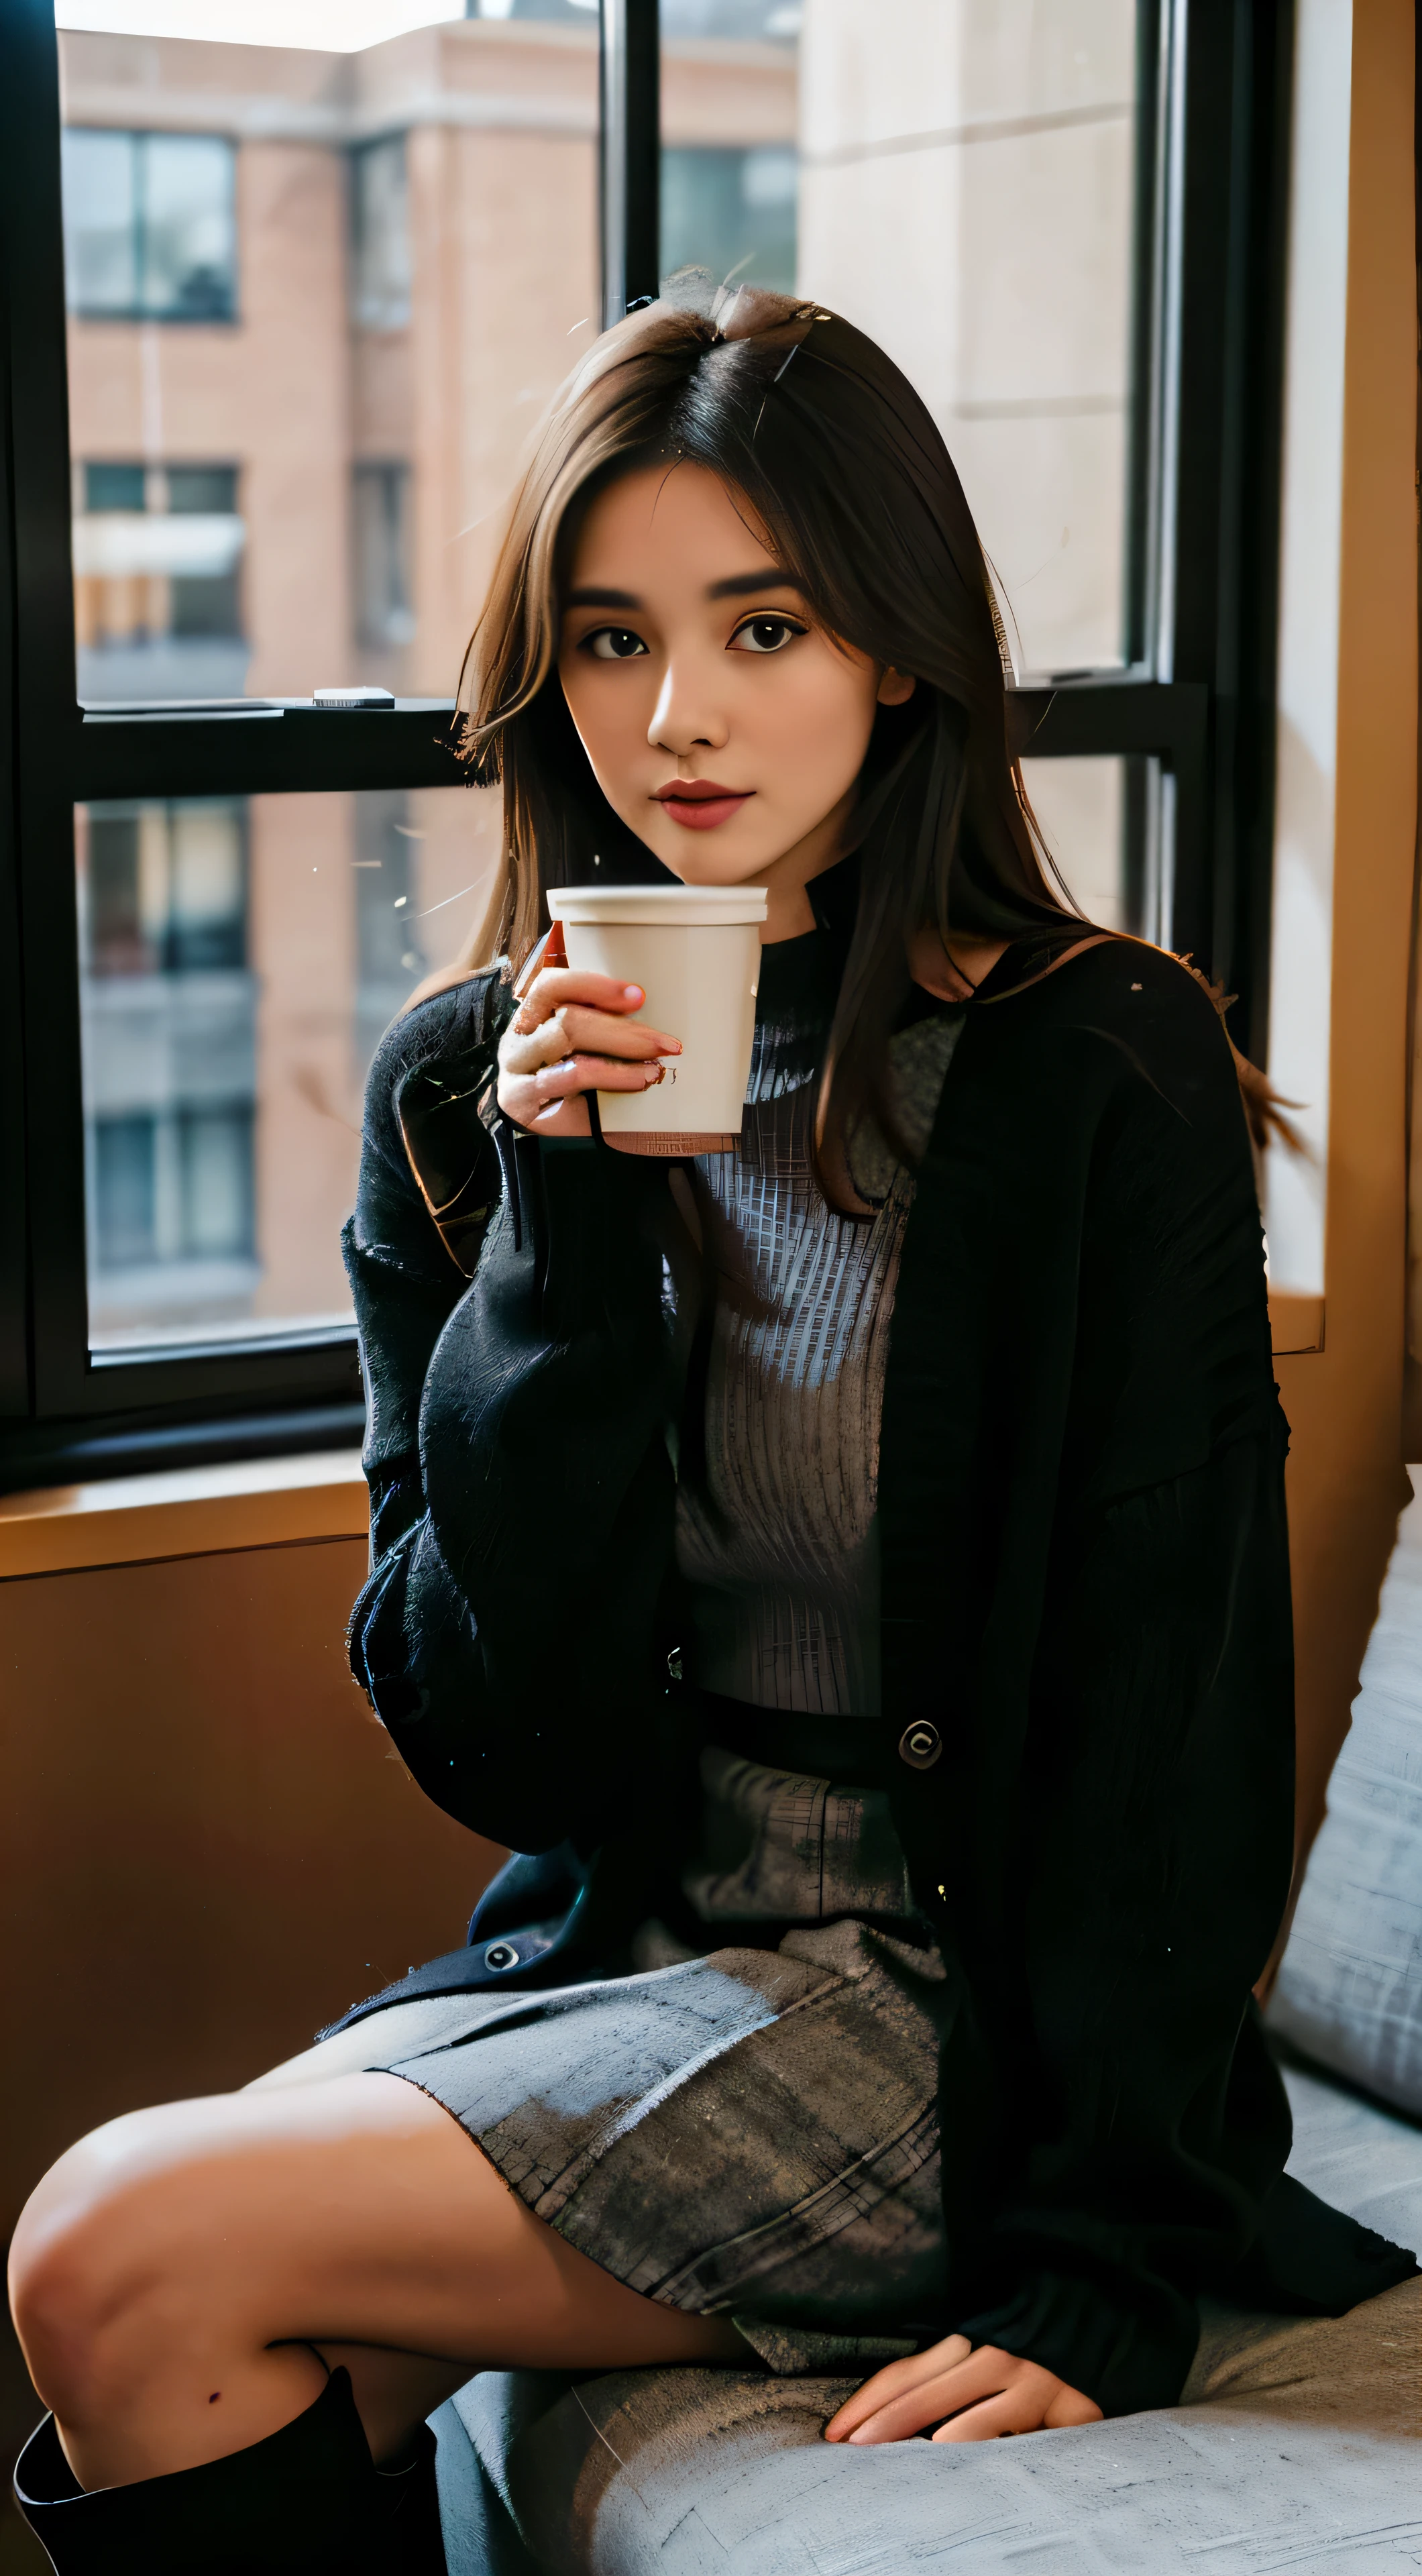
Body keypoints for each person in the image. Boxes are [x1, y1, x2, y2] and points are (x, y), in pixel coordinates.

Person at [9, 284, 1415, 2575]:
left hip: (944, 2023)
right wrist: (563, 1250)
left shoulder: (1095, 1072)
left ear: (895, 643)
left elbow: (1179, 1708)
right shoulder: (469, 1096)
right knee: (158, 2334)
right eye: (609, 638)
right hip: (625, 1942)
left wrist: (1104, 2259)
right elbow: (504, 1747)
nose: (679, 716)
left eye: (763, 626)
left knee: (109, 2247)